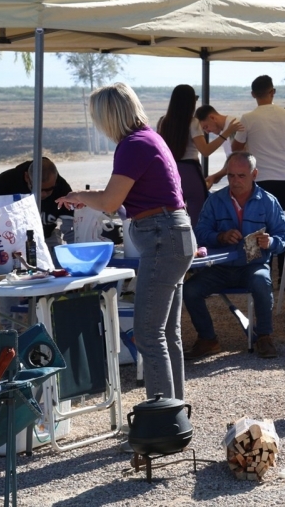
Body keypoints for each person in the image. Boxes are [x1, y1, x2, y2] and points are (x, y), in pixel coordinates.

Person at [57, 83, 194, 400]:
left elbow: (109, 200)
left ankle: (163, 417)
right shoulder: (149, 138)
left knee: (148, 333)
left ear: (108, 116)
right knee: (166, 333)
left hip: (162, 237)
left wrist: (79, 195)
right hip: (175, 233)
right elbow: (121, 200)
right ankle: (174, 411)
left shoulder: (132, 145)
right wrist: (90, 199)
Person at [185, 152, 285, 359]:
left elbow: (283, 236)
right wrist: (220, 236)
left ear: (254, 174)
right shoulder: (215, 200)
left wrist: (271, 242)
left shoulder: (268, 201)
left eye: (241, 176)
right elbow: (199, 233)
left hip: (253, 265)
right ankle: (208, 339)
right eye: (231, 176)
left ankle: (264, 337)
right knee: (189, 290)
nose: (235, 181)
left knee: (261, 282)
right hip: (220, 266)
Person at [231, 75, 285, 211]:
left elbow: (235, 149)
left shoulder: (248, 118)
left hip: (260, 179)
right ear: (273, 92)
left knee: (260, 224)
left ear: (253, 94)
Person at [157, 84, 219, 221]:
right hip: (190, 172)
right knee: (199, 216)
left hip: (170, 172)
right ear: (190, 102)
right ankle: (197, 242)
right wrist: (224, 135)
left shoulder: (163, 122)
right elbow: (205, 150)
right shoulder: (193, 123)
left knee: (173, 216)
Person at [0, 157, 73, 220]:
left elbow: (71, 226)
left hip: (46, 236)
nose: (42, 194)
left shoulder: (62, 188)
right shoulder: (5, 183)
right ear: (27, 177)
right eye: (38, 189)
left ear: (55, 180)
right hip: (9, 238)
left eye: (49, 189)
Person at [194, 105, 242, 187]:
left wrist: (216, 176)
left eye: (206, 127)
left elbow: (239, 159)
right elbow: (231, 159)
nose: (207, 132)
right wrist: (215, 176)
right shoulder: (224, 131)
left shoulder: (234, 126)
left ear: (212, 118)